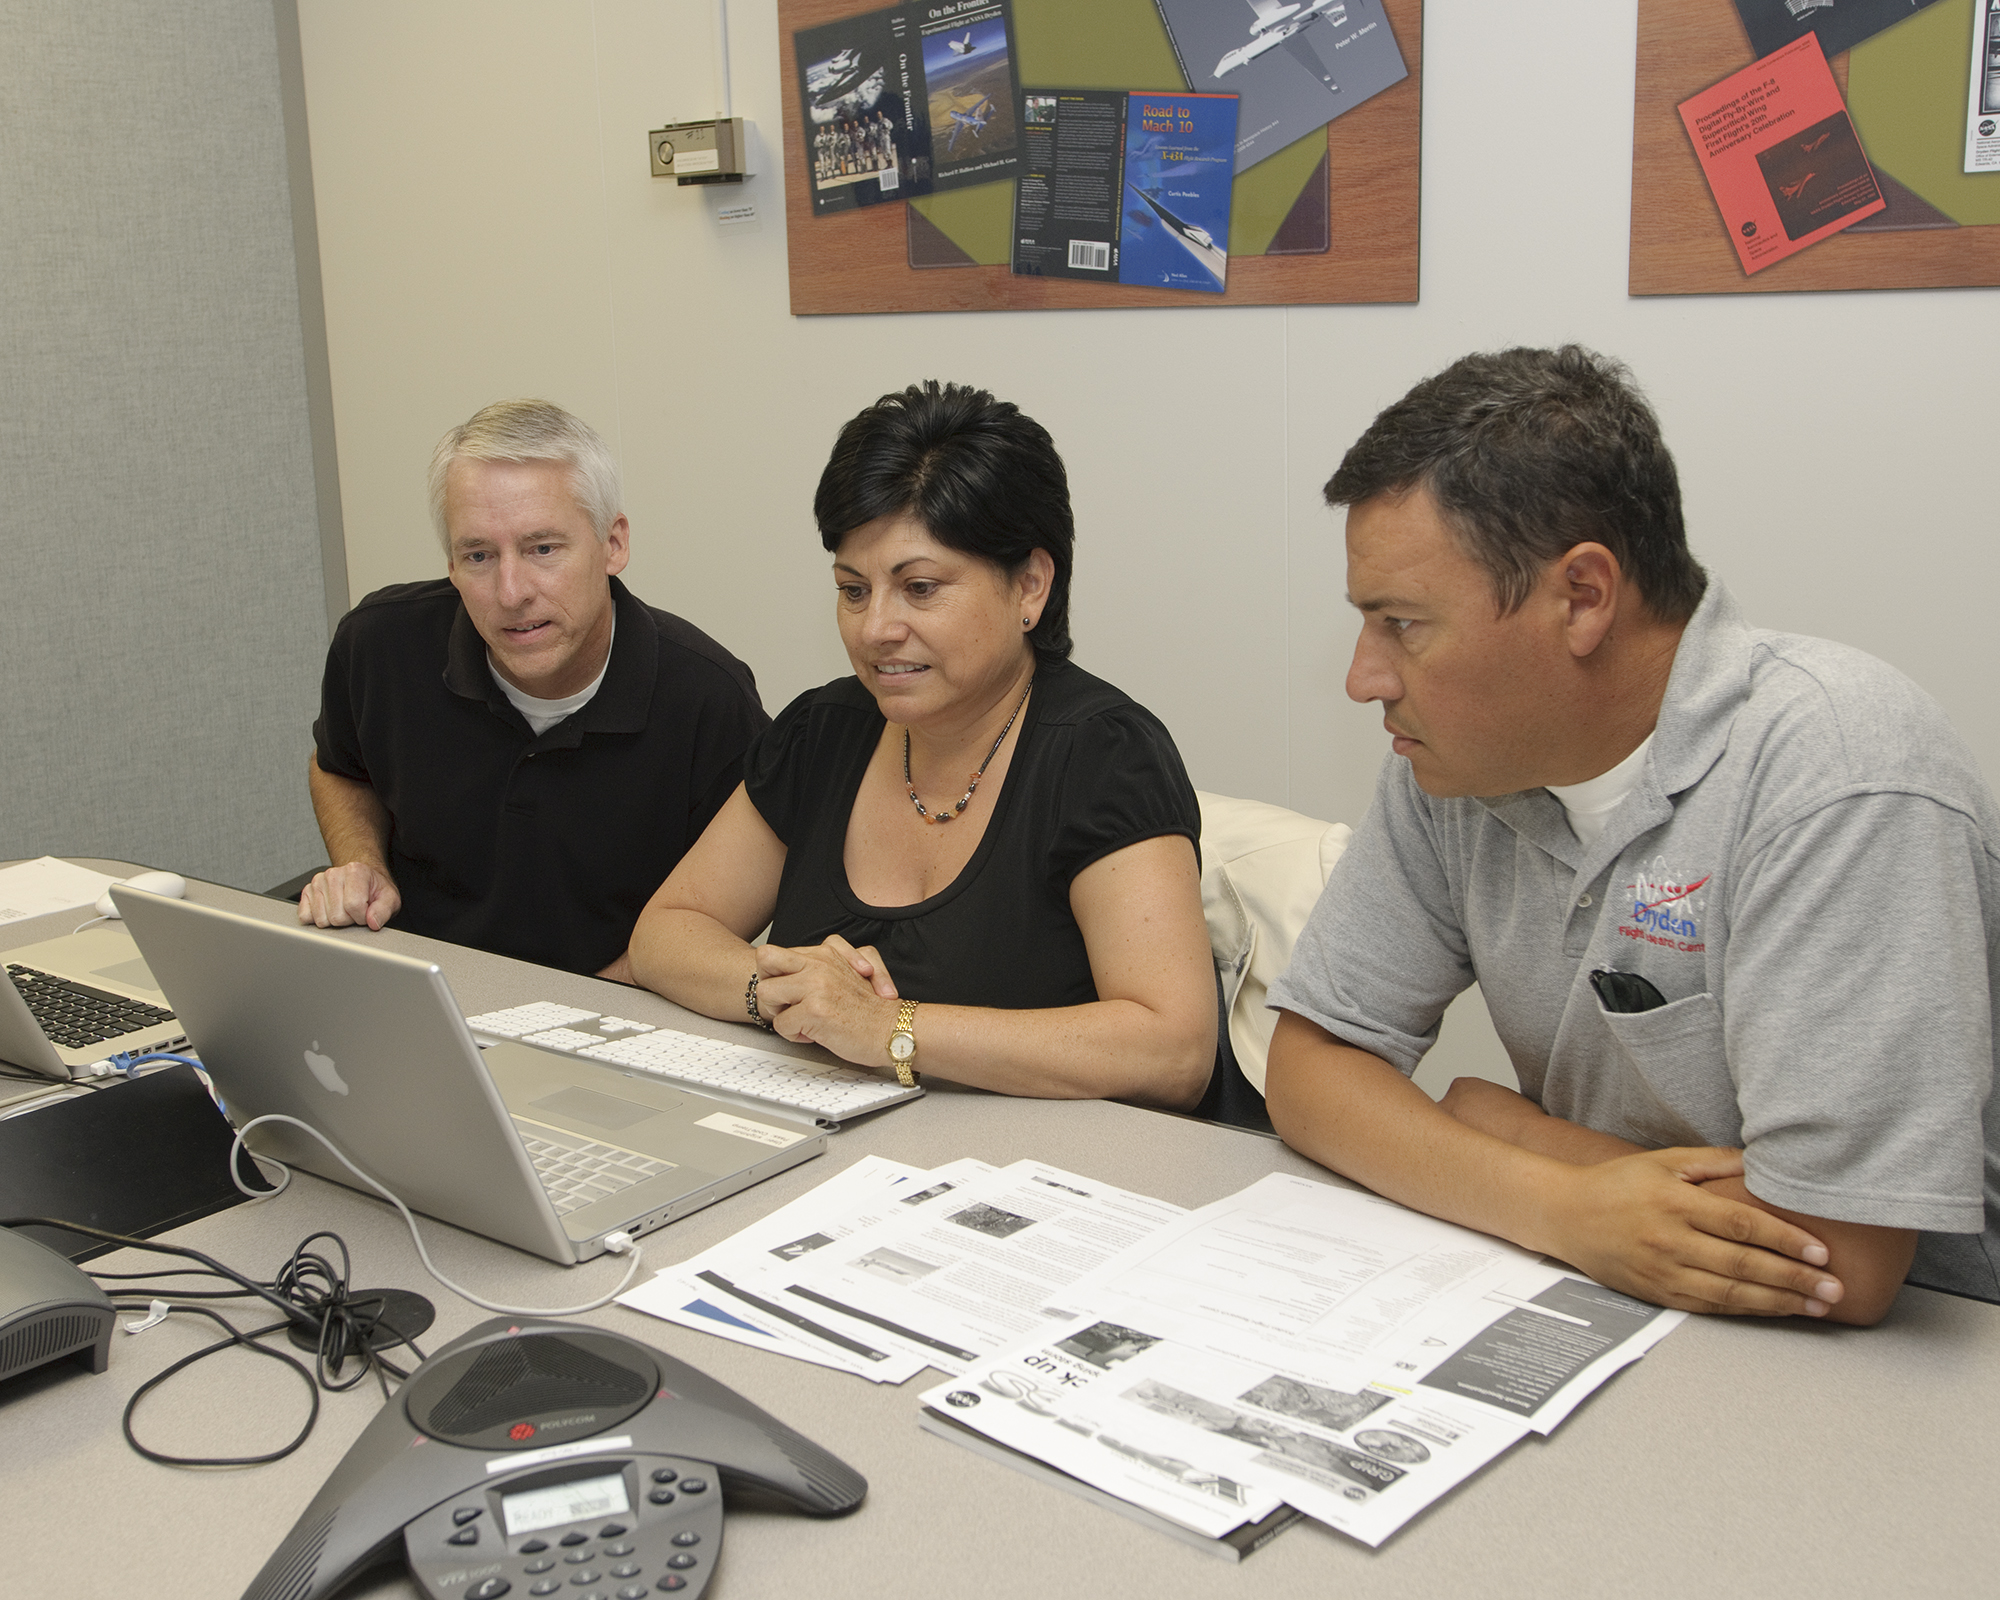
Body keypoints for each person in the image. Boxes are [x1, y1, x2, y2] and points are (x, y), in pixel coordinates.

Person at [1266, 345, 2000, 1325]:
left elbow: (1842, 1257)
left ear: (1580, 597)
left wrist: (1507, 1127)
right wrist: (1556, 1202)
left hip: (1903, 1368)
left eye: (1402, 623)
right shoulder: (1451, 761)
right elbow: (1309, 1071)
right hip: (1608, 1293)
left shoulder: (1839, 770)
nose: (1364, 677)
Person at [628, 381, 1215, 1107]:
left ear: (1030, 586)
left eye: (921, 588)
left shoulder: (1104, 756)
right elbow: (667, 931)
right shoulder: (824, 731)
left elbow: (1172, 1050)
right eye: (853, 590)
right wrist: (788, 994)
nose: (875, 629)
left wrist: (889, 1029)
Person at [301, 398, 768, 977]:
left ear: (613, 545)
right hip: (415, 992)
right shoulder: (378, 644)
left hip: (612, 1018)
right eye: (478, 555)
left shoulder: (711, 700)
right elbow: (339, 767)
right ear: (450, 562)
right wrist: (361, 861)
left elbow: (723, 912)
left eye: (542, 548)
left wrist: (578, 1015)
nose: (511, 591)